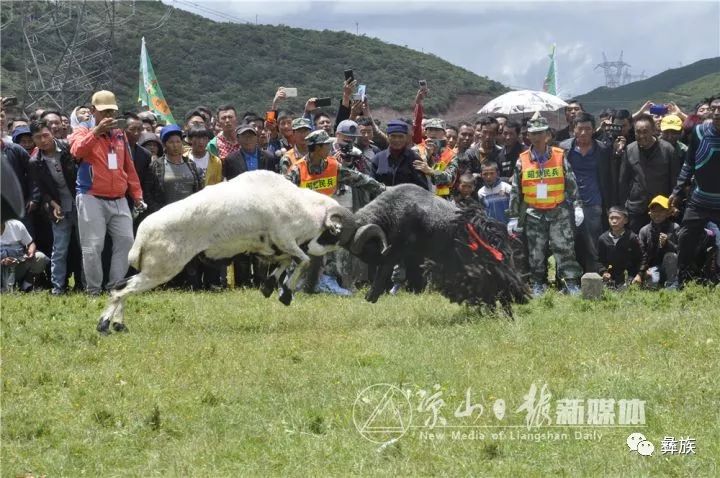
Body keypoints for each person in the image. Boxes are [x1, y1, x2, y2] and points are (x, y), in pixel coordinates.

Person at [69, 90, 145, 296]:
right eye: (104, 112)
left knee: (127, 241)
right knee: (93, 247)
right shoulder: (82, 130)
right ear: (93, 111)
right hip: (90, 195)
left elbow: (128, 167)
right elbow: (76, 151)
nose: (109, 116)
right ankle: (93, 291)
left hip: (119, 198)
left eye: (112, 111)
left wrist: (137, 195)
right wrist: (95, 132)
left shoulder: (120, 134)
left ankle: (115, 286)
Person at [507, 113, 584, 296]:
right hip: (534, 213)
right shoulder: (522, 160)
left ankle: (570, 283)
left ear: (547, 134)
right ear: (528, 136)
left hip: (558, 211)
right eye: (533, 133)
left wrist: (577, 205)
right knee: (536, 251)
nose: (537, 136)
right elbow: (516, 190)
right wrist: (513, 216)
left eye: (540, 132)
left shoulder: (558, 155)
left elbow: (571, 181)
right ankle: (537, 284)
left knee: (564, 248)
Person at [28, 119, 82, 295]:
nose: (43, 140)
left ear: (51, 133)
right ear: (33, 140)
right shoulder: (35, 161)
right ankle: (58, 287)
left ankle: (86, 284)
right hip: (58, 207)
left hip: (80, 202)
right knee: (59, 248)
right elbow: (41, 189)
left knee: (86, 246)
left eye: (45, 135)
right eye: (38, 138)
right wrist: (52, 204)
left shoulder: (68, 148)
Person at [670, 96, 720, 285]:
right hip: (698, 201)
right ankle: (681, 277)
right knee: (685, 238)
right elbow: (689, 163)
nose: (716, 113)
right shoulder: (699, 132)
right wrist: (676, 191)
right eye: (714, 108)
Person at [559, 112, 612, 273]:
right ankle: (566, 279)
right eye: (580, 128)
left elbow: (608, 176)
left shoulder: (602, 149)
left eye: (588, 129)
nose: (583, 133)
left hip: (593, 202)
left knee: (593, 243)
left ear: (593, 129)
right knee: (567, 242)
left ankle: (594, 275)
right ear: (573, 129)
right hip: (568, 203)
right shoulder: (563, 148)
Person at [618, 114, 680, 233]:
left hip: (661, 207)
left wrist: (673, 204)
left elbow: (675, 180)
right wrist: (623, 206)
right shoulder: (629, 150)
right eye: (638, 132)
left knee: (661, 244)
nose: (642, 136)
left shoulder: (667, 150)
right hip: (636, 207)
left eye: (645, 131)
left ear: (654, 131)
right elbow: (623, 180)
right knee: (637, 244)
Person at [370, 120, 430, 190]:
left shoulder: (414, 159)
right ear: (387, 136)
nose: (397, 140)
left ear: (406, 138)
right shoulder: (378, 159)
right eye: (393, 136)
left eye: (401, 136)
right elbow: (372, 187)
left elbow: (423, 189)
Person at [635, 195, 679, 289]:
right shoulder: (644, 230)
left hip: (672, 267)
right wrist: (642, 271)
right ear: (649, 213)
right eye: (654, 211)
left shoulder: (675, 228)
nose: (657, 214)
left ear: (668, 213)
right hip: (653, 268)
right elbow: (641, 253)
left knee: (671, 256)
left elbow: (681, 251)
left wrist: (667, 243)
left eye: (661, 211)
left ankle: (671, 284)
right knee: (651, 285)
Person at [597, 206, 642, 288]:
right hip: (611, 276)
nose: (614, 221)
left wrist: (640, 274)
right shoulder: (603, 239)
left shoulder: (632, 238)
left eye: (617, 218)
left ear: (625, 220)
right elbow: (600, 260)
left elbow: (640, 258)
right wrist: (603, 272)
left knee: (628, 289)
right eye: (611, 218)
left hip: (629, 274)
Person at [1, 219, 50, 292]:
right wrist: (2, 261)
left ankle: (26, 286)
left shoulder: (16, 225)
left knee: (40, 257)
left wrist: (31, 252)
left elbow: (31, 243)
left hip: (18, 264)